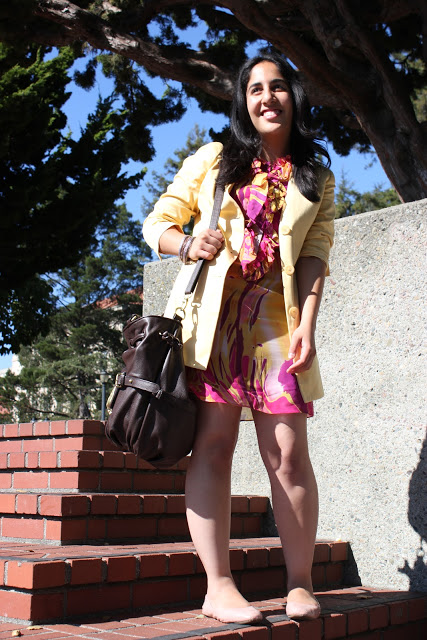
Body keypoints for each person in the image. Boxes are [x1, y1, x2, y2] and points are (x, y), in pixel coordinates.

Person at [143, 52, 335, 624]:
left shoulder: (315, 177)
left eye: (278, 87)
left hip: (277, 321)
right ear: (243, 101)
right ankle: (218, 586)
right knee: (214, 447)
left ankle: (299, 583)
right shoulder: (215, 159)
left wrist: (307, 325)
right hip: (212, 318)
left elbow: (315, 256)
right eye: (255, 89)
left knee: (289, 453)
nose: (267, 98)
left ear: (294, 97)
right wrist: (186, 245)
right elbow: (158, 221)